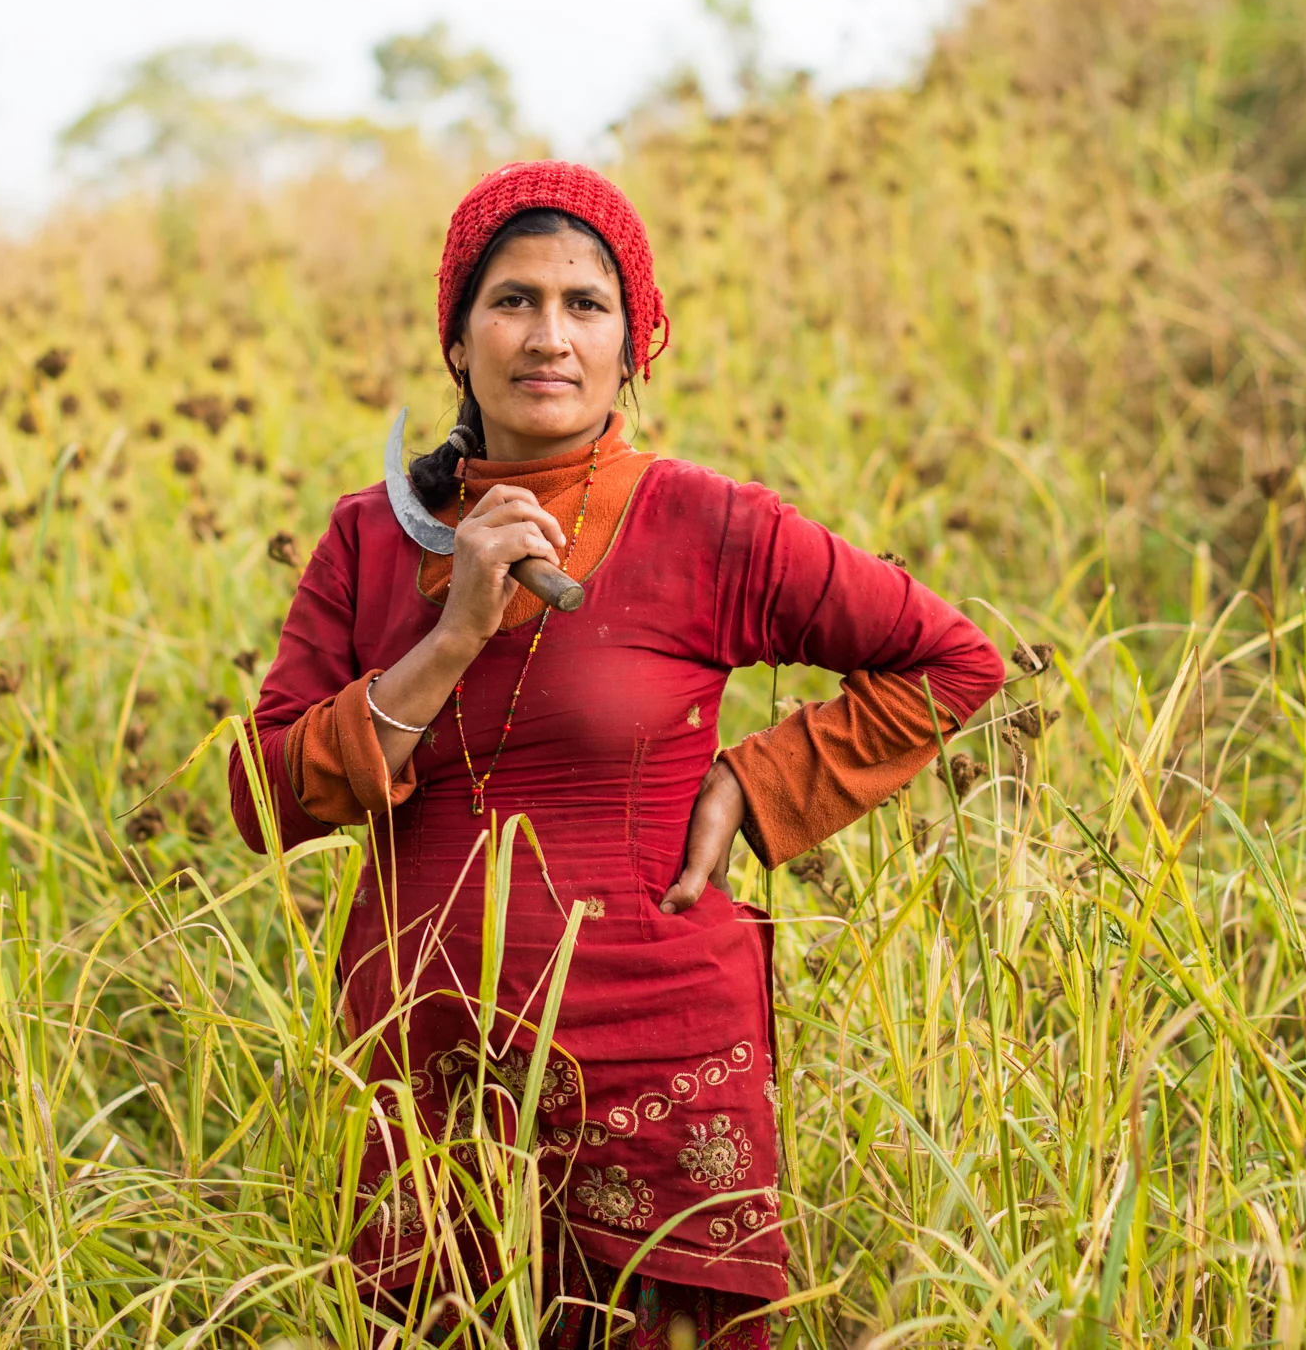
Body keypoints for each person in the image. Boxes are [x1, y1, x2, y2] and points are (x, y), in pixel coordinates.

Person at [228, 161, 1004, 1346]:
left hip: (653, 1060)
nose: (550, 336)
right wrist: (452, 636)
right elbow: (264, 796)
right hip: (426, 1076)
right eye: (514, 300)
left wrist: (757, 782)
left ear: (638, 340)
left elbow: (950, 663)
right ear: (457, 339)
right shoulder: (368, 542)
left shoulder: (713, 525)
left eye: (586, 305)